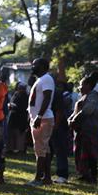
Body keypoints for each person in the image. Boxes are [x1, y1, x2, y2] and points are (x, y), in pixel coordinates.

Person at [27, 58, 56, 187]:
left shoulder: (46, 79)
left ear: (43, 66)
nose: (33, 67)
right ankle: (47, 178)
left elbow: (47, 97)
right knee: (44, 148)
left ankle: (38, 178)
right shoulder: (40, 80)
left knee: (40, 149)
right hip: (38, 118)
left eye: (35, 65)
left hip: (43, 118)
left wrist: (39, 116)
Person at [69, 75, 98, 184]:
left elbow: (87, 110)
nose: (80, 87)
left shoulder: (93, 96)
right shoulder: (83, 96)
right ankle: (83, 173)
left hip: (89, 130)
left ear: (88, 85)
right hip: (81, 130)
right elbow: (76, 111)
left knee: (90, 153)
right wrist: (70, 119)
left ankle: (92, 175)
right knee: (80, 152)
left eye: (81, 85)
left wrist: (75, 119)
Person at [49, 78, 73, 184]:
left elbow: (59, 111)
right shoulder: (50, 92)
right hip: (50, 124)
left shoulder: (56, 93)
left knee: (60, 150)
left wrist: (56, 125)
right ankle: (46, 172)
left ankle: (62, 174)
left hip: (57, 125)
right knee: (49, 150)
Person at [7, 83, 29, 155]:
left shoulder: (26, 96)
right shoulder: (16, 94)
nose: (20, 89)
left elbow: (24, 107)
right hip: (13, 116)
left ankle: (20, 149)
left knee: (20, 134)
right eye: (20, 88)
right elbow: (11, 102)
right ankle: (10, 148)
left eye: (22, 88)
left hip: (21, 117)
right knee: (11, 133)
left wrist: (15, 107)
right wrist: (10, 105)